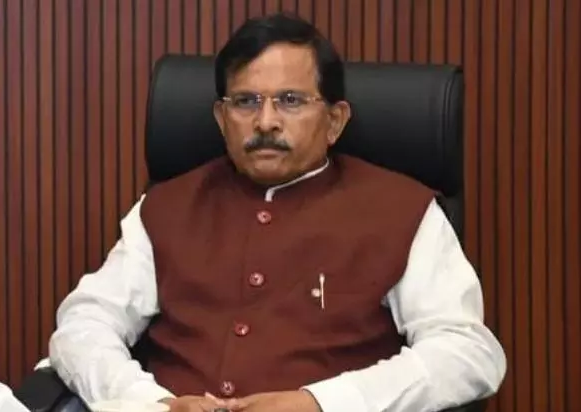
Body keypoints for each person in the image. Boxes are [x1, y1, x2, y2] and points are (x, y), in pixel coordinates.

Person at [48, 12, 506, 412]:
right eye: (246, 102)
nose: (265, 122)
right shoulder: (166, 206)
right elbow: (85, 324)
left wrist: (321, 402)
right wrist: (150, 403)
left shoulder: (402, 210)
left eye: (290, 100)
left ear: (335, 121)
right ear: (221, 119)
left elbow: (466, 351)